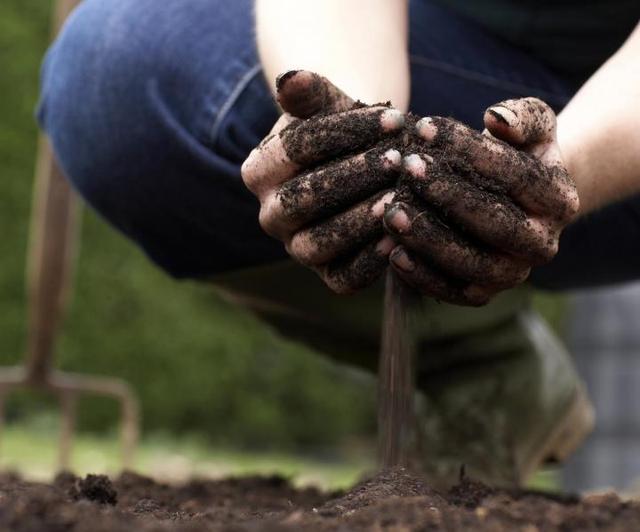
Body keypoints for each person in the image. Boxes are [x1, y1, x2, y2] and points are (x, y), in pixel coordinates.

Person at [38, 0, 640, 486]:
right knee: (114, 62)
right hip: (457, 59)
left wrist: (568, 167)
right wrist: (343, 125)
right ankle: (482, 368)